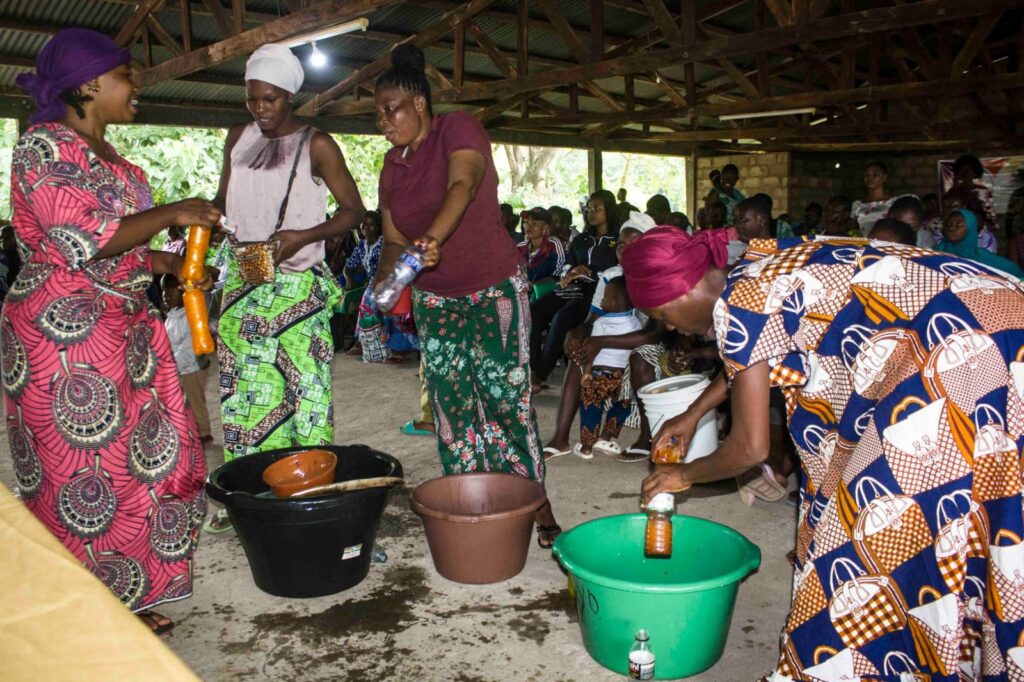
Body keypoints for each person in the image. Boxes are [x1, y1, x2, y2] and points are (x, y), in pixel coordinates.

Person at [622, 227, 1024, 680]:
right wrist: (693, 414)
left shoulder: (738, 303)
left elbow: (750, 448)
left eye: (661, 314)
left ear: (683, 288)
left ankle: (837, 666)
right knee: (973, 512)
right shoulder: (756, 268)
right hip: (1004, 327)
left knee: (867, 539)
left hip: (960, 354)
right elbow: (755, 352)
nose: (669, 327)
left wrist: (683, 475)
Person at [7, 28, 222, 633]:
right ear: (88, 84)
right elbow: (78, 240)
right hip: (62, 334)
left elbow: (119, 246)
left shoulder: (117, 160)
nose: (136, 85)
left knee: (144, 462)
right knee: (81, 474)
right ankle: (85, 612)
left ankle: (126, 595)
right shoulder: (42, 147)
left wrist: (168, 263)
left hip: (123, 326)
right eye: (126, 74)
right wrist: (173, 212)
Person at [373, 44, 559, 547]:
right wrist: (386, 281)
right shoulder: (392, 166)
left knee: (504, 400)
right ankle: (474, 506)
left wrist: (432, 239)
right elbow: (392, 238)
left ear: (418, 103)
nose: (383, 122)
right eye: (378, 114)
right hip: (435, 300)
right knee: (451, 406)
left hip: (493, 289)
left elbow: (464, 184)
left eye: (390, 110)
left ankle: (535, 506)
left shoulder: (457, 128)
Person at [207, 44, 364, 530]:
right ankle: (249, 498)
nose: (260, 108)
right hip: (243, 283)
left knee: (306, 396)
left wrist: (305, 235)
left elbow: (354, 212)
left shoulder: (317, 144)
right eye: (252, 98)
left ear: (291, 96)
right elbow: (223, 200)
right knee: (246, 396)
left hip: (297, 290)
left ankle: (311, 498)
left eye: (270, 99)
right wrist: (206, 228)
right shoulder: (238, 138)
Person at [542, 211, 662, 462]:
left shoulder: (656, 277)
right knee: (579, 350)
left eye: (633, 243)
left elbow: (653, 334)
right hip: (614, 338)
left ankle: (646, 438)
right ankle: (560, 438)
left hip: (649, 345)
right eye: (621, 244)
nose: (624, 249)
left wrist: (602, 341)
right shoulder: (610, 275)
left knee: (640, 359)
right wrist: (576, 334)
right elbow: (592, 319)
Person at [530, 189, 621, 391]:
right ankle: (531, 368)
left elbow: (618, 270)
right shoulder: (581, 240)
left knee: (562, 318)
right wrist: (569, 272)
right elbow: (568, 265)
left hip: (599, 292)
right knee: (534, 311)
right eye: (589, 209)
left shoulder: (616, 240)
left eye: (597, 208)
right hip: (574, 287)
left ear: (609, 209)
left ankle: (540, 374)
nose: (591, 213)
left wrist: (590, 271)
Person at [568, 277, 641, 459]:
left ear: (617, 302)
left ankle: (586, 447)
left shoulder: (600, 323)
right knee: (622, 406)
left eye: (606, 297)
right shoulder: (635, 323)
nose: (602, 301)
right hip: (621, 378)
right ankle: (606, 437)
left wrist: (586, 373)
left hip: (598, 374)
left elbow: (591, 350)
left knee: (591, 407)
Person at [161, 275, 213, 443]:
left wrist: (169, 366)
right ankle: (191, 430)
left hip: (192, 369)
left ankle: (204, 433)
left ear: (184, 291)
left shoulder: (191, 316)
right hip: (179, 367)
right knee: (185, 402)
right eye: (164, 291)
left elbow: (189, 351)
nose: (165, 295)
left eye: (170, 291)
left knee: (195, 401)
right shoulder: (173, 314)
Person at [938, 208, 1024, 279]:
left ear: (971, 228)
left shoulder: (986, 259)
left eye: (959, 225)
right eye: (949, 225)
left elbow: (1015, 273)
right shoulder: (938, 252)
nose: (952, 228)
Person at [517, 207, 566, 285]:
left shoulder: (553, 244)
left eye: (534, 223)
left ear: (546, 227)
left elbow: (557, 275)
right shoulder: (520, 247)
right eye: (526, 222)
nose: (528, 226)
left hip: (546, 290)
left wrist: (534, 285)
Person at [851, 160, 895, 235]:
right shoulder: (857, 204)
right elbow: (853, 230)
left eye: (875, 175)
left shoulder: (893, 202)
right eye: (867, 175)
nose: (870, 178)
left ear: (884, 177)